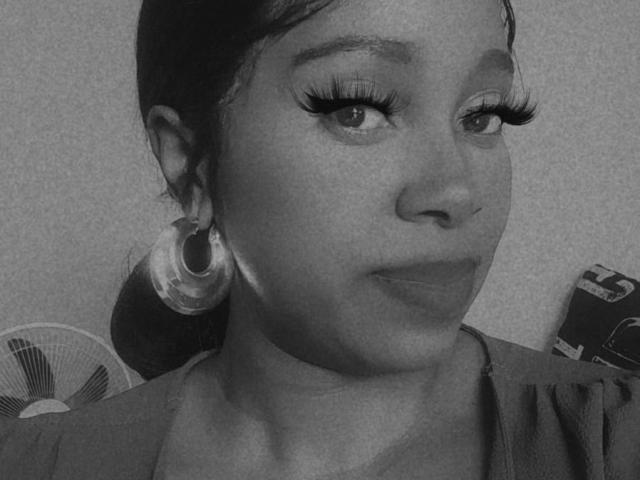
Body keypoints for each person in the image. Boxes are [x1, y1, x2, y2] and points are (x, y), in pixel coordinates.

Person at [1, 0, 639, 479]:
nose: (456, 191)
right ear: (191, 163)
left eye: (484, 114)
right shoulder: (35, 462)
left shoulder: (609, 439)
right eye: (356, 107)